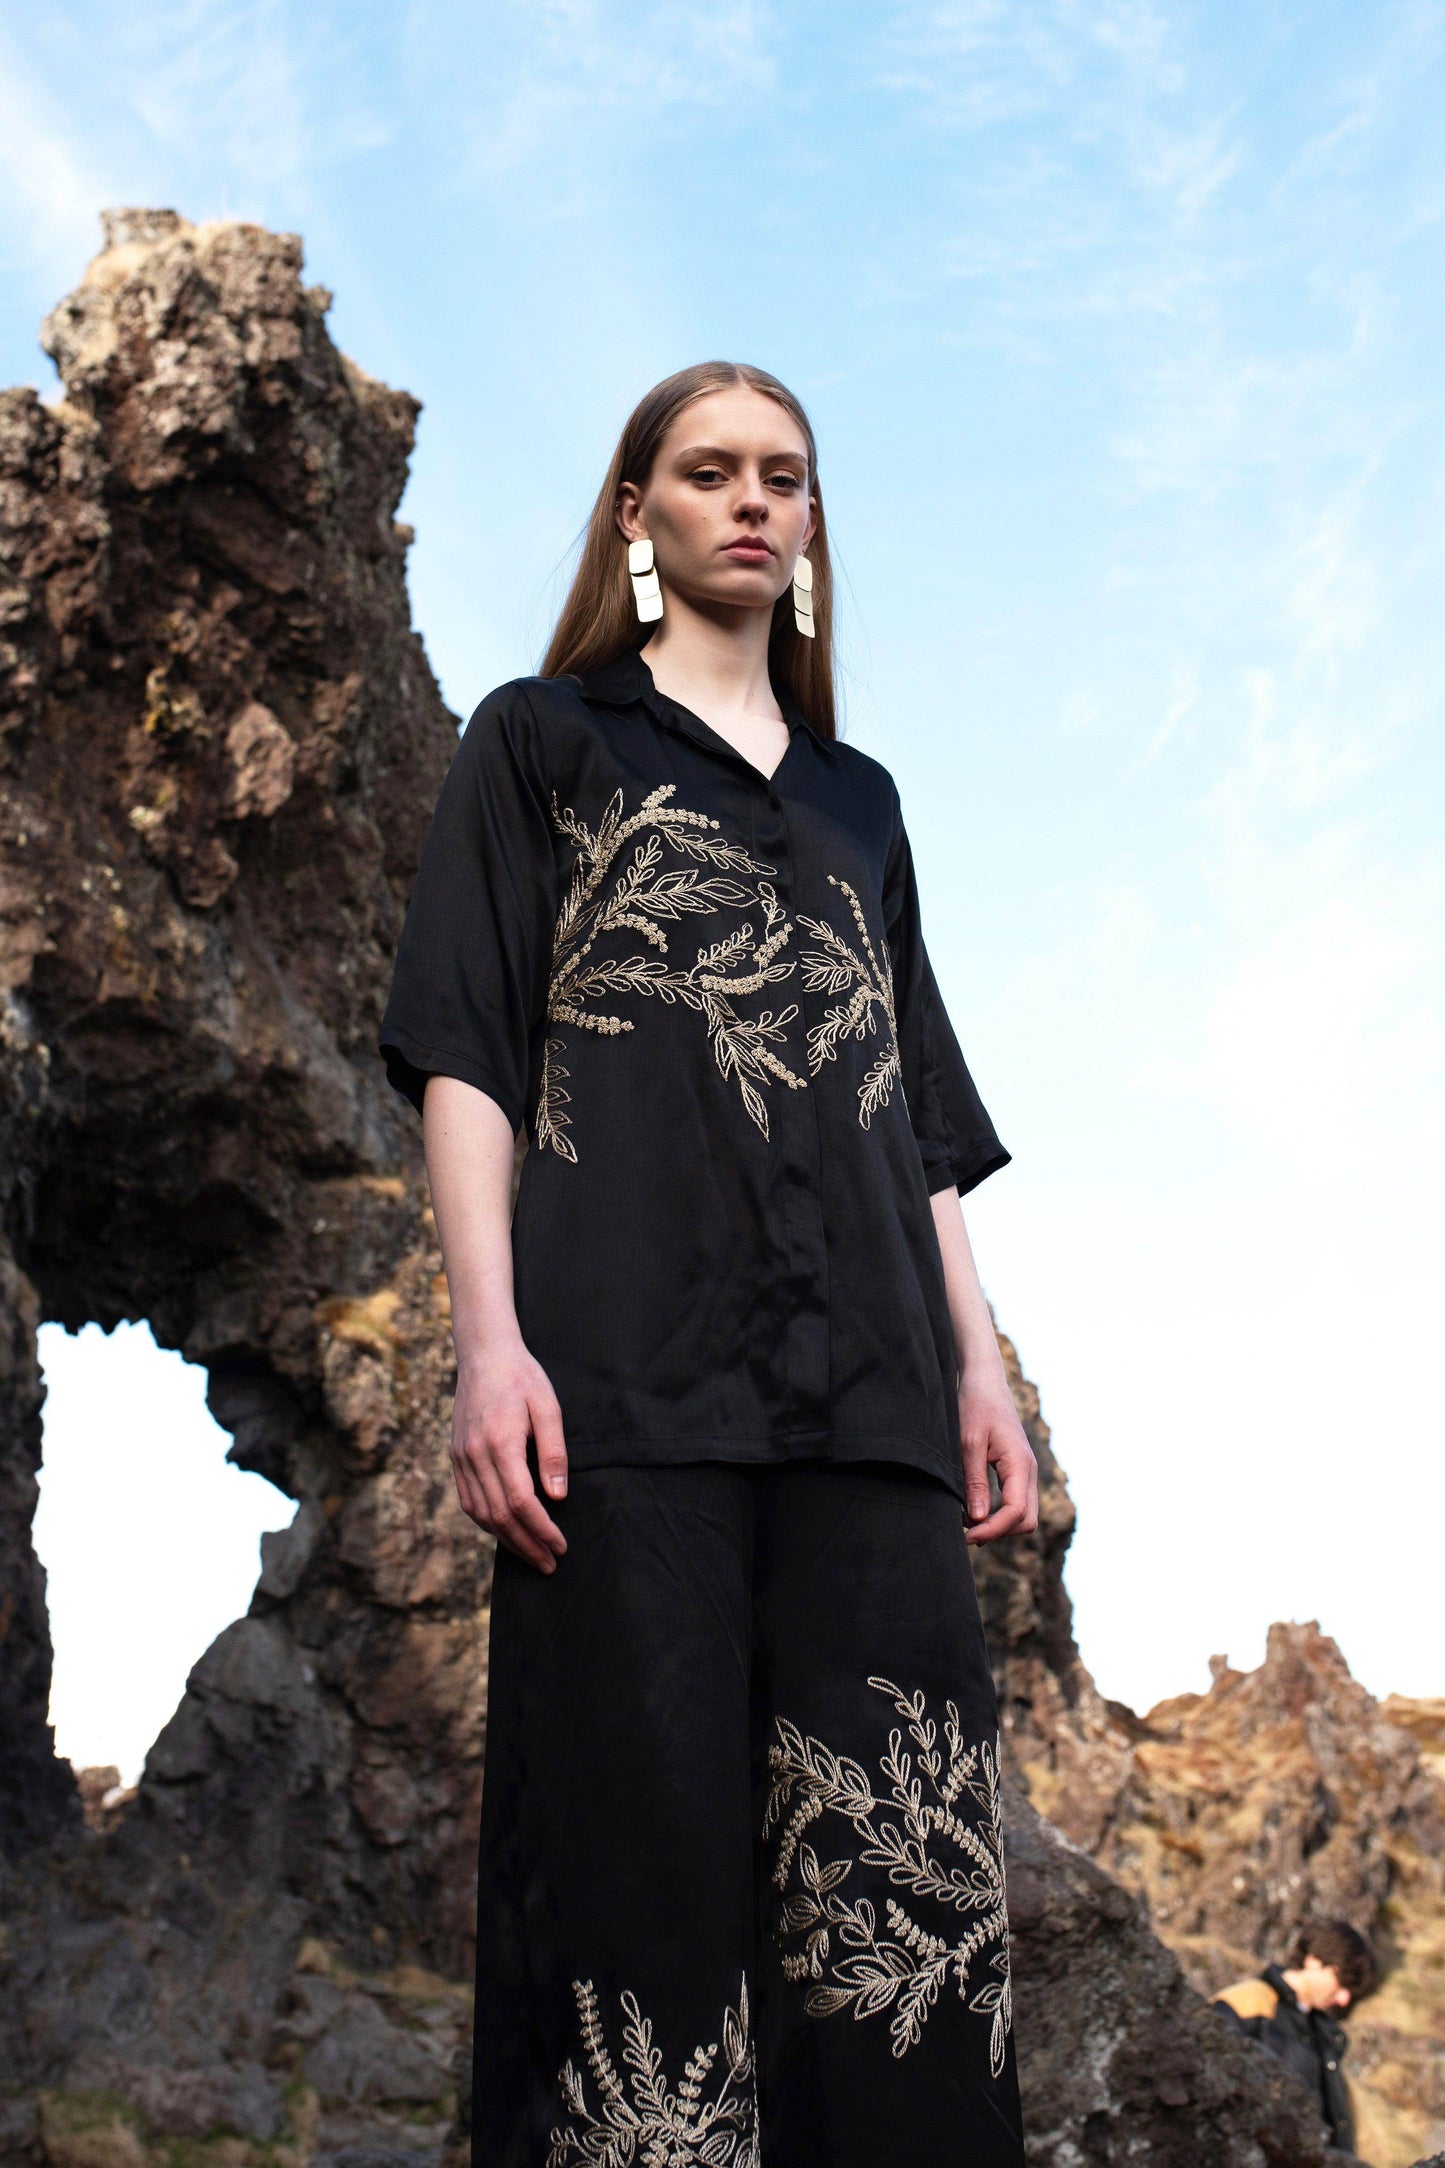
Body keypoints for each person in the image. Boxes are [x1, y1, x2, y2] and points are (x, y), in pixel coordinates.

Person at [380, 360, 1038, 2166]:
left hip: (874, 1414)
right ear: (637, 512)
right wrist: (490, 1344)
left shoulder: (861, 802)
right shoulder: (542, 740)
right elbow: (466, 1052)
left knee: (901, 1908)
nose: (752, 501)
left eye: (784, 476)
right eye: (710, 470)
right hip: (624, 1400)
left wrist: (978, 1368)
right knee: (631, 1890)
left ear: (812, 521)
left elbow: (915, 1116)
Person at [1212, 1919, 1379, 2155]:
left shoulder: (1325, 2035)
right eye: (1343, 1983)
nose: (1344, 1999)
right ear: (1314, 1960)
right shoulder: (1245, 2003)